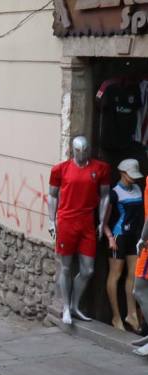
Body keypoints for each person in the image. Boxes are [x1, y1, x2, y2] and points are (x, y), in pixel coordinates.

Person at [48, 136, 111, 325]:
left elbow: (105, 196)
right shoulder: (60, 169)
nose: (82, 153)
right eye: (78, 150)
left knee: (88, 269)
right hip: (66, 221)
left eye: (85, 150)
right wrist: (52, 221)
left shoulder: (100, 168)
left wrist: (102, 221)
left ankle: (75, 305)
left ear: (89, 149)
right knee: (66, 266)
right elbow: (52, 196)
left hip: (87, 222)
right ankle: (66, 307)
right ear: (73, 150)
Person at [102, 159, 144, 331]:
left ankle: (131, 313)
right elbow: (104, 219)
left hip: (134, 236)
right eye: (130, 175)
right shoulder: (114, 193)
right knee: (116, 275)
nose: (133, 178)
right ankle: (116, 316)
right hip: (119, 236)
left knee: (133, 275)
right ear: (122, 173)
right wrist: (109, 237)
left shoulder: (138, 189)